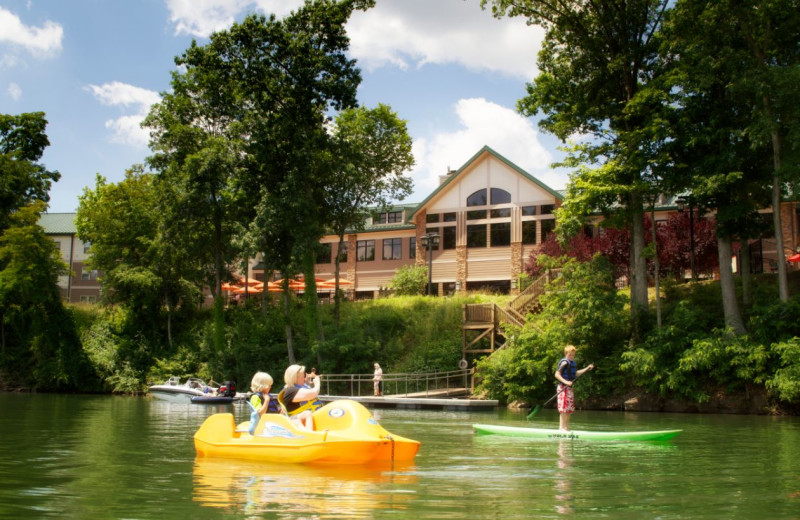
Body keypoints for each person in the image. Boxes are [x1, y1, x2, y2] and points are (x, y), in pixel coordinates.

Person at [554, 345, 594, 431]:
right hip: (562, 388)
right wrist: (566, 382)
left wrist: (587, 368)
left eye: (573, 355)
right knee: (563, 409)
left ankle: (566, 428)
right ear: (566, 354)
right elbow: (557, 374)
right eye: (570, 355)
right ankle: (561, 428)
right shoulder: (564, 362)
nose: (572, 356)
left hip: (569, 388)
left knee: (569, 409)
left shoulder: (573, 363)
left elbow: (575, 373)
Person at [280, 364, 321, 431]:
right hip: (296, 419)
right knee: (307, 413)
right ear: (295, 377)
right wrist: (317, 383)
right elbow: (313, 393)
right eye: (303, 376)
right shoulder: (291, 391)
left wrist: (307, 384)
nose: (304, 378)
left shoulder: (296, 388)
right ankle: (309, 435)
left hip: (312, 416)